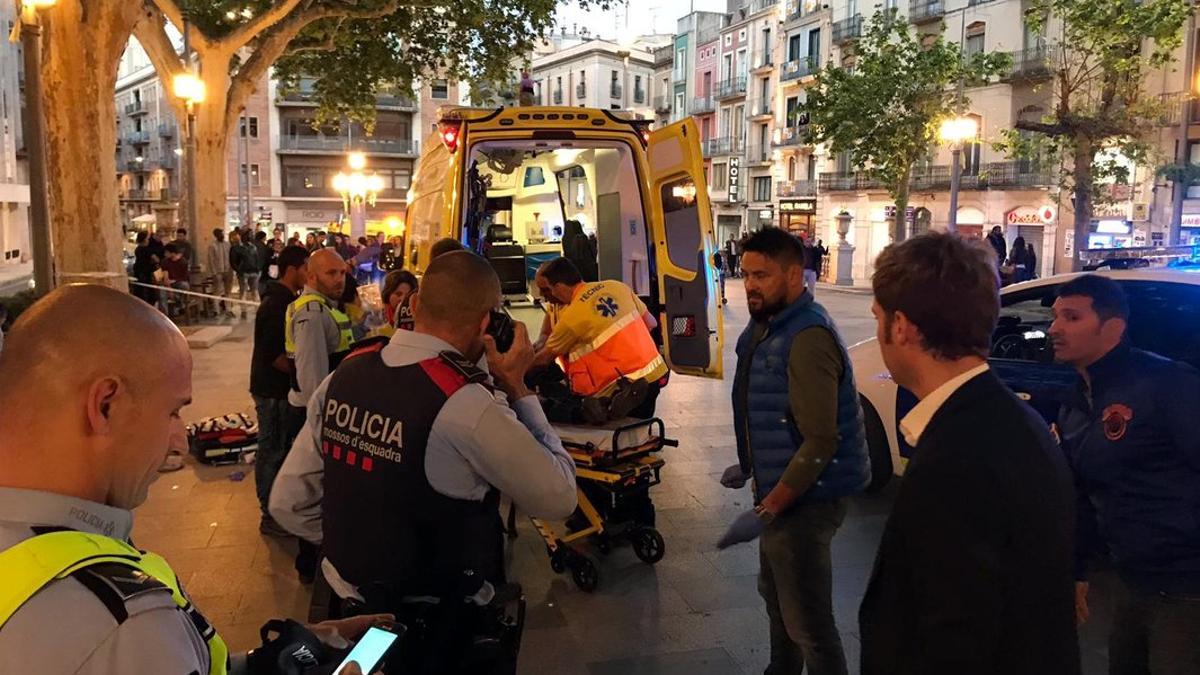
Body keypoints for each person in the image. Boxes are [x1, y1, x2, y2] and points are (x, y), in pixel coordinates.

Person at [0, 285, 387, 675]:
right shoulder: (124, 628)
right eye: (173, 412)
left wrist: (279, 658)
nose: (180, 440)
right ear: (106, 405)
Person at [269, 252, 577, 669]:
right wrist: (519, 388)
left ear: (413, 306)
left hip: (352, 619)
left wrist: (362, 546)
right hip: (439, 629)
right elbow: (559, 498)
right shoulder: (466, 403)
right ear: (487, 323)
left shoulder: (343, 375)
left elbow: (287, 503)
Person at [859, 232, 1079, 675]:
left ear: (900, 326)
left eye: (877, 317)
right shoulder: (1007, 420)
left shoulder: (958, 457)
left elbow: (952, 639)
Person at [715, 226, 869, 675]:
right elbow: (764, 402)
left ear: (794, 274)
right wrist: (748, 466)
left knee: (808, 622)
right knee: (778, 598)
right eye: (745, 274)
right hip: (781, 488)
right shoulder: (771, 325)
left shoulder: (807, 337)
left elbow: (821, 439)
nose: (750, 285)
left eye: (762, 275)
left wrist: (771, 505)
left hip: (807, 497)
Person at [1050, 274, 1200, 675]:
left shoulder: (1165, 384)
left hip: (1187, 591)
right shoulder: (1076, 402)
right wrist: (1077, 569)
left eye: (1072, 317)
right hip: (1131, 582)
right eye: (1055, 317)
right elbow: (1082, 492)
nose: (1054, 329)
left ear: (1112, 327)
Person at [284, 248, 352, 580]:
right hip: (314, 417)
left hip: (321, 414)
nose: (340, 279)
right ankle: (311, 564)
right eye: (331, 274)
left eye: (342, 272)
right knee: (317, 491)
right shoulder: (312, 313)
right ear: (311, 277)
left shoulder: (325, 308)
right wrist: (322, 427)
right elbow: (313, 380)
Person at [532, 257, 667, 423]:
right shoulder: (616, 287)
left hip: (611, 386)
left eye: (549, 290)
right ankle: (614, 405)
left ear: (559, 287)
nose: (548, 295)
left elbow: (544, 359)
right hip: (652, 374)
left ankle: (607, 407)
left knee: (575, 413)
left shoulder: (573, 316)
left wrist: (516, 373)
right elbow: (651, 323)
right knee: (639, 432)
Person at [251, 245, 311, 536]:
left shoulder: (286, 300)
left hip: (276, 389)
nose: (308, 275)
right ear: (294, 269)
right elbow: (273, 355)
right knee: (271, 451)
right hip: (271, 390)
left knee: (277, 449)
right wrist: (306, 374)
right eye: (306, 269)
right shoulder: (277, 305)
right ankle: (269, 515)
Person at [229, 229, 261, 313]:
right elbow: (233, 261)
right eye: (249, 234)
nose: (251, 236)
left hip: (254, 272)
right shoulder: (236, 248)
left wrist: (257, 269)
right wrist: (239, 270)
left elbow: (257, 258)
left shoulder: (253, 247)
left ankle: (257, 310)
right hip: (244, 273)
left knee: (255, 291)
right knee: (243, 292)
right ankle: (243, 310)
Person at [207, 228, 235, 317]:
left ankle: (228, 310)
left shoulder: (228, 244)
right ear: (216, 235)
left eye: (222, 233)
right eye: (219, 234)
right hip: (218, 272)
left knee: (228, 291)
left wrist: (232, 270)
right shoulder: (212, 245)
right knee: (217, 291)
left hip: (228, 270)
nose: (221, 235)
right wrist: (214, 273)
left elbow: (231, 258)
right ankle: (216, 310)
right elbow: (211, 260)